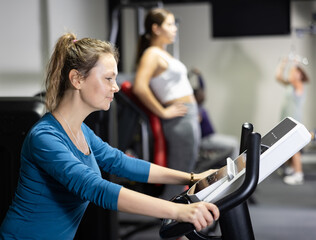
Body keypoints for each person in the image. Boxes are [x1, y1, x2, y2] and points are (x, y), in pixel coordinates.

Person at [0, 33, 219, 239]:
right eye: (108, 78)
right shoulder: (44, 137)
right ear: (77, 79)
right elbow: (96, 188)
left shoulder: (81, 131)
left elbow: (120, 163)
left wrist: (192, 178)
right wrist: (179, 211)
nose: (115, 88)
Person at [132, 8, 201, 200]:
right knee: (180, 175)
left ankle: (177, 221)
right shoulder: (152, 54)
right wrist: (162, 112)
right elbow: (139, 87)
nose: (174, 29)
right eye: (169, 24)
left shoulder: (163, 54)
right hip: (179, 119)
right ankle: (171, 224)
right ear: (156, 28)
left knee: (186, 171)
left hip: (187, 115)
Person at [189, 69, 239, 170]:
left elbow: (202, 88)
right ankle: (233, 169)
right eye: (200, 94)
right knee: (233, 145)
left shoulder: (200, 105)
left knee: (234, 142)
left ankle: (233, 168)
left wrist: (199, 76)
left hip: (211, 137)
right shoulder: (193, 108)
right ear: (195, 97)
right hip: (205, 140)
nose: (203, 95)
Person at [275, 57, 309, 185]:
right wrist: (283, 63)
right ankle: (292, 169)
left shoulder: (298, 84)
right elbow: (278, 76)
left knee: (295, 148)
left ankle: (298, 174)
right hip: (286, 120)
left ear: (300, 75)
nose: (292, 73)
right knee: (288, 146)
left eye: (295, 72)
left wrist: (294, 64)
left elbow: (291, 77)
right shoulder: (290, 84)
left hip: (294, 121)